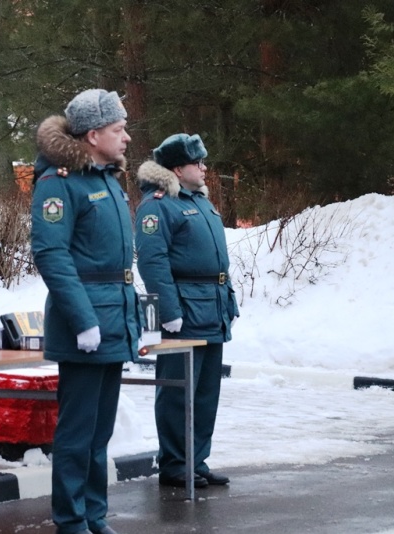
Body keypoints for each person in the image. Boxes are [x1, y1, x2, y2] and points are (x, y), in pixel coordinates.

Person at [30, 88, 143, 534]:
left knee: (99, 432)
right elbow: (52, 255)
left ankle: (94, 514)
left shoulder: (106, 180)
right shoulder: (58, 183)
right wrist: (84, 320)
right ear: (93, 135)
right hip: (87, 325)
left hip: (114, 319)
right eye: (118, 130)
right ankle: (71, 519)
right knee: (77, 434)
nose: (126, 138)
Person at [134, 133, 239, 489]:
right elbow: (152, 260)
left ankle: (197, 460)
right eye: (198, 162)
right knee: (178, 391)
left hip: (212, 307)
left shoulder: (200, 202)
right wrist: (168, 309)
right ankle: (176, 463)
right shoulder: (158, 205)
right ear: (178, 168)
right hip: (185, 310)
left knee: (206, 391)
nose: (205, 167)